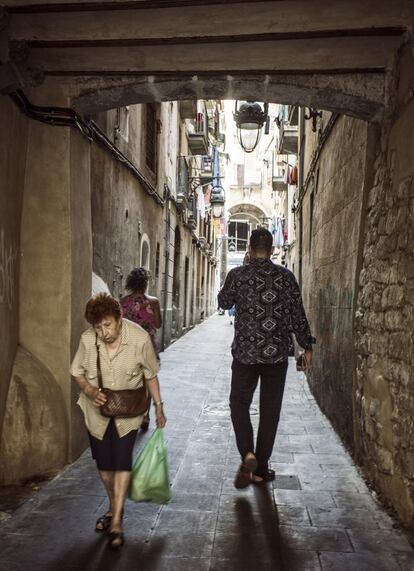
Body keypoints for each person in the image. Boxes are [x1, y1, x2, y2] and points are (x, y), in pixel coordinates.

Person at [218, 228, 315, 488]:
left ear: (249, 249)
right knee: (270, 411)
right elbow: (297, 315)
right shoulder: (286, 278)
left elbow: (224, 302)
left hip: (245, 356)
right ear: (272, 250)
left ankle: (247, 453)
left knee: (238, 404)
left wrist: (241, 275)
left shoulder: (238, 275)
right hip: (276, 356)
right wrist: (307, 346)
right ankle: (260, 468)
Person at [70, 293, 166, 549]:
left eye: (108, 325)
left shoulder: (139, 338)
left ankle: (116, 524)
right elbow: (76, 371)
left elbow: (150, 375)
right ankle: (115, 508)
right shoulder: (88, 340)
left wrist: (159, 406)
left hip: (129, 412)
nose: (104, 332)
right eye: (98, 327)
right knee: (104, 465)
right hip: (96, 413)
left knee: (122, 461)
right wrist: (90, 391)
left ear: (119, 317)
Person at [120, 268, 162, 431]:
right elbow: (158, 324)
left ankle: (132, 413)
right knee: (148, 379)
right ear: (145, 284)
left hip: (130, 346)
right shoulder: (153, 302)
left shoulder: (124, 302)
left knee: (132, 380)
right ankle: (145, 415)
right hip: (148, 346)